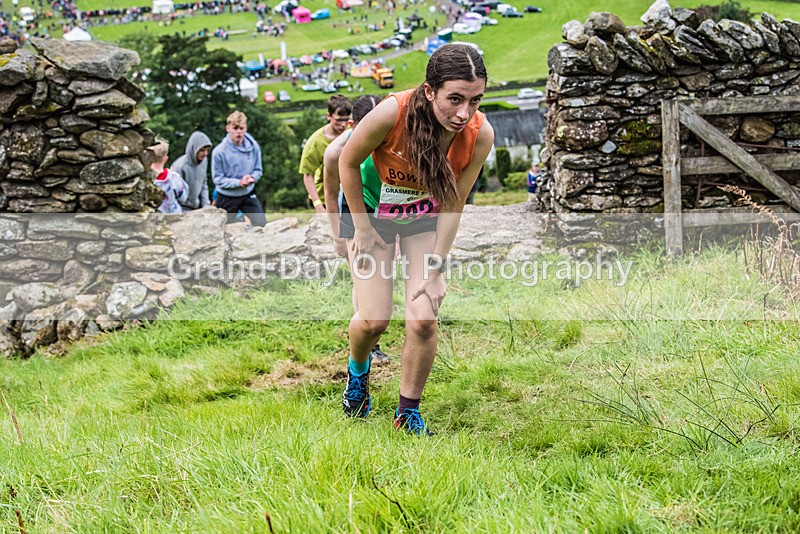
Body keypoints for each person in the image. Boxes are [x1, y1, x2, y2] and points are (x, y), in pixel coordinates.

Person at [337, 44, 494, 435]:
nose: (464, 113)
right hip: (375, 218)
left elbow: (455, 201)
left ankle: (407, 412)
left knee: (423, 319)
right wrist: (361, 227)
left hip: (424, 222)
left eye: (475, 100)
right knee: (374, 319)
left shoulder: (479, 134)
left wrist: (438, 266)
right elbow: (346, 161)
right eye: (454, 99)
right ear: (430, 91)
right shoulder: (393, 112)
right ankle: (358, 374)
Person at [323, 94, 390, 363]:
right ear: (353, 126)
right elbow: (330, 194)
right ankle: (369, 348)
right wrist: (338, 235)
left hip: (390, 206)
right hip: (356, 209)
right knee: (362, 276)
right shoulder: (335, 152)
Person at [211, 111, 267, 227]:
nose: (239, 132)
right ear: (228, 128)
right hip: (227, 196)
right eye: (235, 128)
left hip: (248, 193)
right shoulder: (219, 152)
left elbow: (258, 170)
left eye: (241, 128)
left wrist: (252, 178)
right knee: (223, 228)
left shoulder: (254, 147)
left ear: (245, 129)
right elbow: (217, 179)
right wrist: (238, 182)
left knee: (261, 224)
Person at [299, 94, 353, 214]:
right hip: (326, 198)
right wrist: (318, 205)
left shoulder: (352, 135)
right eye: (339, 120)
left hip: (350, 195)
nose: (343, 124)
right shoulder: (315, 142)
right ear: (328, 116)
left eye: (346, 120)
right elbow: (308, 175)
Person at [172, 131, 212, 211]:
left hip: (197, 206)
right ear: (194, 148)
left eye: (207, 150)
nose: (205, 153)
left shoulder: (204, 161)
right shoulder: (180, 166)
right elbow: (175, 194)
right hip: (182, 208)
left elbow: (204, 184)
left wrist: (206, 205)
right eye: (202, 150)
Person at [149, 139, 189, 214]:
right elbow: (183, 197)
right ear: (166, 158)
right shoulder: (173, 177)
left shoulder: (144, 178)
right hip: (173, 216)